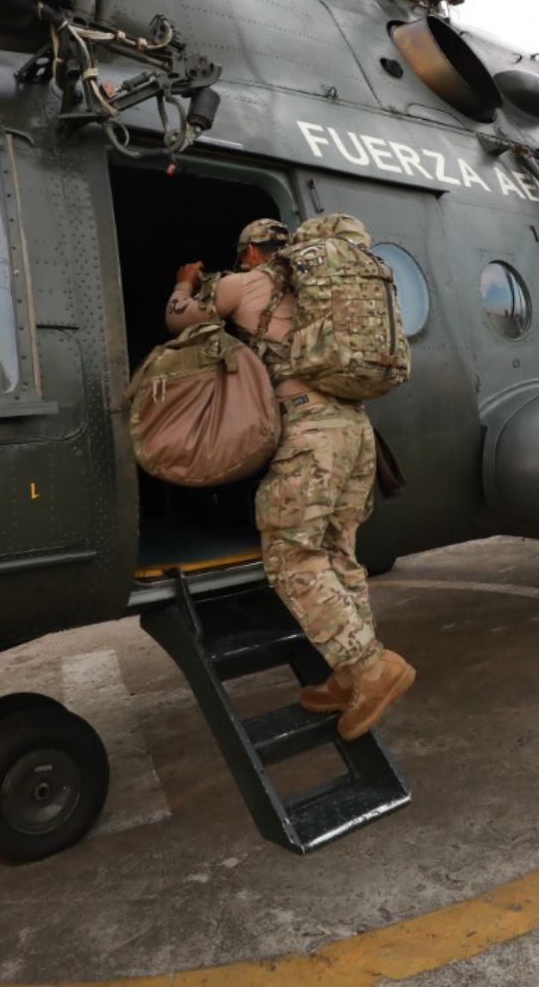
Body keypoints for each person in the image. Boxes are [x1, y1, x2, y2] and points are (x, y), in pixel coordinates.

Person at [164, 217, 414, 740]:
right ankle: (350, 674)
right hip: (357, 430)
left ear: (253, 251)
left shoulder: (246, 281)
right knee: (339, 552)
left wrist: (186, 282)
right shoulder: (321, 283)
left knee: (291, 555)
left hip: (309, 426)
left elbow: (180, 322)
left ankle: (371, 668)